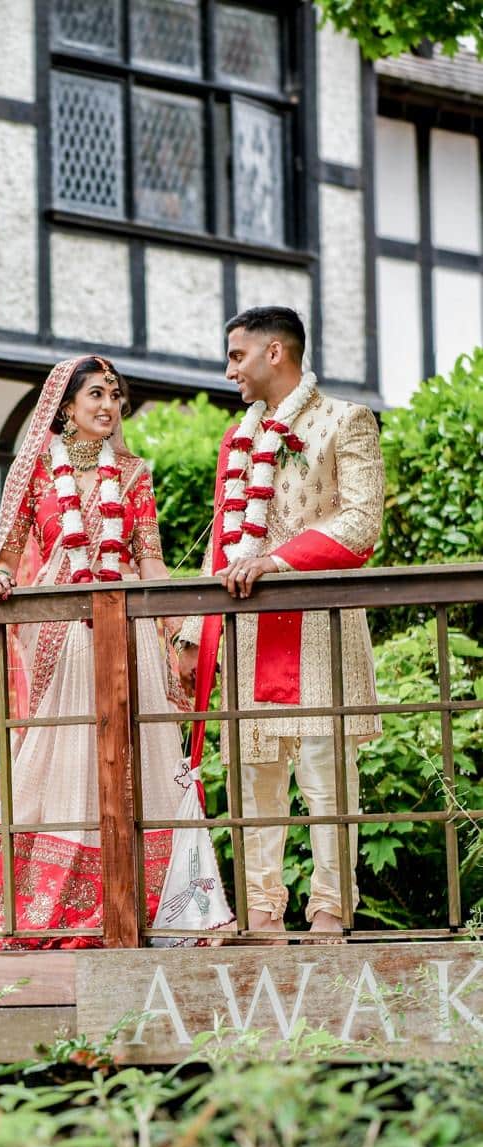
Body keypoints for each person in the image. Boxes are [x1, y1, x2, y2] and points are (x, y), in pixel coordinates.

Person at [0, 354, 220, 948]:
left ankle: (158, 910)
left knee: (140, 755)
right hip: (59, 632)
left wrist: (182, 630)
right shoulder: (34, 472)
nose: (109, 405)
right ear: (66, 407)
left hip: (127, 628)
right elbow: (7, 557)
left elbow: (152, 561)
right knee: (61, 756)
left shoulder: (134, 474)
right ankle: (48, 908)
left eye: (114, 395)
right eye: (96, 395)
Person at [178, 306, 384, 939]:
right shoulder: (237, 439)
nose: (229, 370)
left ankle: (330, 912)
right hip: (246, 628)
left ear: (275, 352)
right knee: (252, 778)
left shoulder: (346, 420)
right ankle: (262, 913)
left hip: (320, 628)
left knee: (327, 779)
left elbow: (361, 524)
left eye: (236, 356)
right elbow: (223, 541)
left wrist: (275, 562)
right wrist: (193, 635)